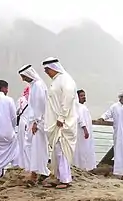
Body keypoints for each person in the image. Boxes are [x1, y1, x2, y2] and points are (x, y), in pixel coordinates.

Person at [42, 57, 78, 189]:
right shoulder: (56, 81)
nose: (46, 72)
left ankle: (65, 179)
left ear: (53, 68)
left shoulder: (65, 79)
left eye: (47, 69)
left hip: (63, 123)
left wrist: (62, 117)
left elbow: (68, 98)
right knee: (57, 151)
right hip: (56, 123)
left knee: (62, 151)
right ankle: (58, 177)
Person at [18, 64, 50, 185]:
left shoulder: (38, 86)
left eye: (23, 76)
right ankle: (37, 172)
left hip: (38, 123)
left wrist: (36, 122)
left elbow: (40, 106)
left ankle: (36, 174)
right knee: (32, 147)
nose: (23, 79)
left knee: (37, 148)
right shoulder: (34, 86)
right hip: (33, 122)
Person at [73, 89, 96, 171]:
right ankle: (81, 167)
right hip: (81, 132)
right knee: (82, 150)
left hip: (86, 131)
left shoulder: (83, 107)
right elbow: (80, 119)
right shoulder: (77, 107)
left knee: (87, 149)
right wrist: (85, 129)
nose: (83, 97)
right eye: (81, 96)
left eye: (84, 95)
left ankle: (87, 167)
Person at [16, 86, 30, 169]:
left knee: (21, 143)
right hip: (30, 123)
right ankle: (30, 163)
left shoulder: (21, 99)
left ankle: (22, 164)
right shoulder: (33, 100)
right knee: (29, 143)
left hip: (22, 122)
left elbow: (17, 111)